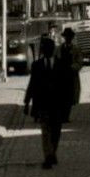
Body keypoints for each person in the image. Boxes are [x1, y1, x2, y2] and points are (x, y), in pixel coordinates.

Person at [24, 36, 74, 169]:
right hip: (43, 104)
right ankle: (48, 156)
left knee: (56, 131)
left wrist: (68, 104)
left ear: (53, 50)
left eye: (48, 48)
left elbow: (68, 86)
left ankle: (52, 152)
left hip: (58, 105)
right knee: (45, 131)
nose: (45, 51)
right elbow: (32, 85)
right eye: (44, 48)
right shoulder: (37, 65)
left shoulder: (62, 64)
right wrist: (26, 102)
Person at [59, 27, 83, 120]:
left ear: (72, 38)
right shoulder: (59, 48)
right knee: (62, 95)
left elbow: (80, 62)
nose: (67, 38)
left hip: (71, 76)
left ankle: (66, 115)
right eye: (66, 36)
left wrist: (72, 67)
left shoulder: (76, 49)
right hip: (61, 76)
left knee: (70, 95)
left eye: (69, 36)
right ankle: (63, 114)